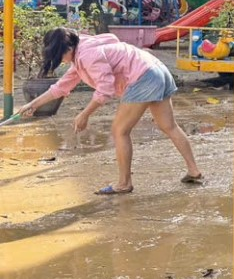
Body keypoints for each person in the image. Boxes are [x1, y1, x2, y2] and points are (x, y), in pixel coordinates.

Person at [16, 28, 204, 195]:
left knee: (119, 131)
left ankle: (124, 184)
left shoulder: (87, 56)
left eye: (60, 55)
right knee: (169, 126)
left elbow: (105, 90)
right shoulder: (83, 52)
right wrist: (33, 105)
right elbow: (61, 87)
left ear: (68, 49)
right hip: (156, 70)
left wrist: (84, 114)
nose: (61, 60)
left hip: (143, 77)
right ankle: (194, 171)